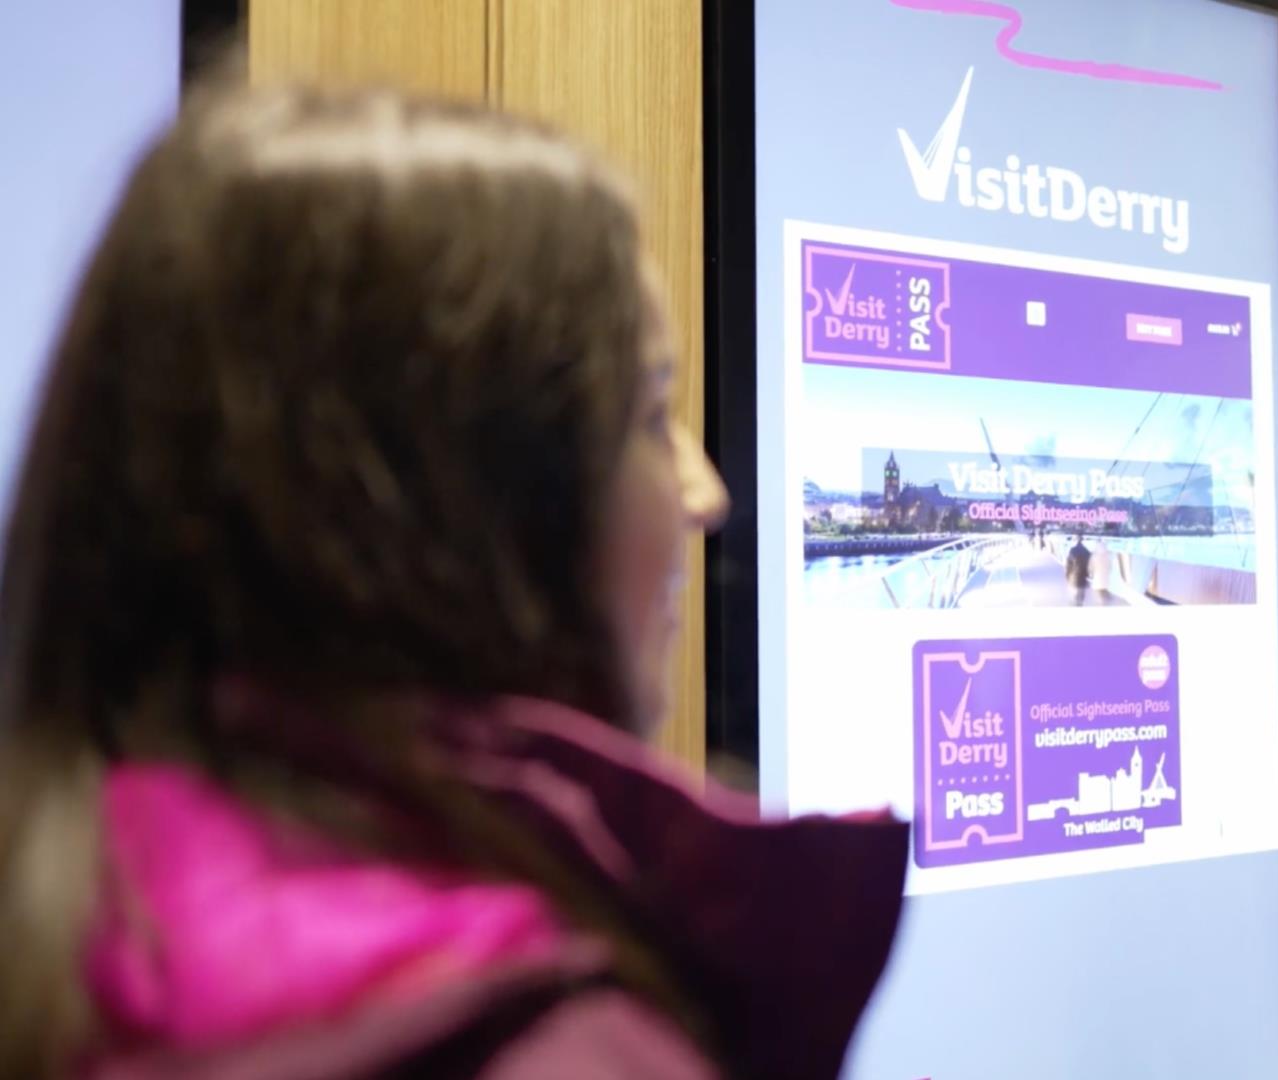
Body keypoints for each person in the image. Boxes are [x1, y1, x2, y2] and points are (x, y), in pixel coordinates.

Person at [0, 80, 906, 1078]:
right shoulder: (554, 1049)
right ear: (461, 497)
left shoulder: (54, 931)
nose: (706, 491)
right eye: (650, 417)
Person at [1065, 534, 1093, 606]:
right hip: (1083, 577)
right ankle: (1079, 605)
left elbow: (1068, 565)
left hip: (1074, 576)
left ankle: (1076, 605)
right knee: (1081, 595)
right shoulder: (1087, 552)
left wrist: (1067, 576)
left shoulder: (1072, 550)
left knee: (1075, 594)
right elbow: (1090, 566)